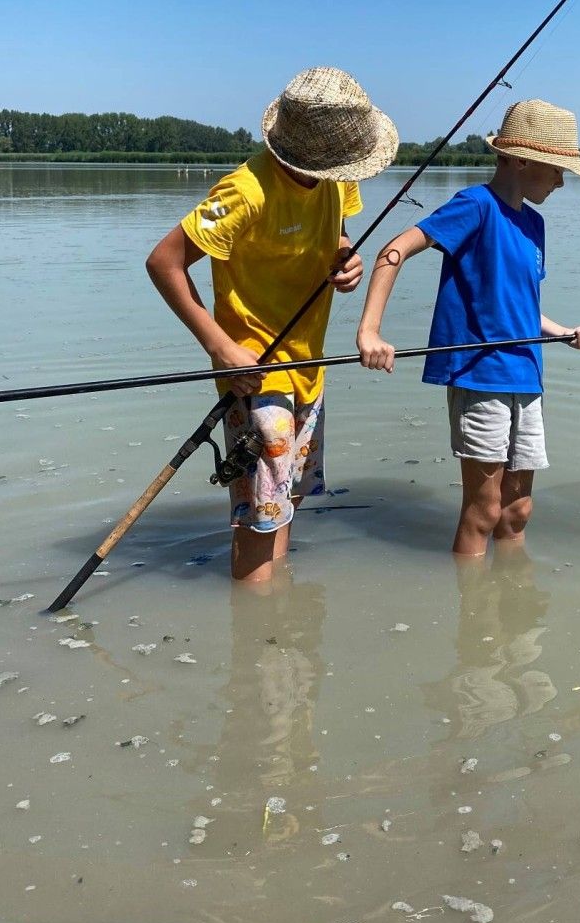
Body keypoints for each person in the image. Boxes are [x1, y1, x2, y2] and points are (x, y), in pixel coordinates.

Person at [146, 67, 398, 583]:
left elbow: (338, 235)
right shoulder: (246, 189)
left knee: (285, 502)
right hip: (254, 370)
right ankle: (257, 640)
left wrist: (346, 259)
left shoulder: (336, 179)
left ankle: (277, 636)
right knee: (260, 520)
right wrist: (220, 349)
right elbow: (163, 262)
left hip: (311, 364)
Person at [356, 98, 580, 557]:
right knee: (484, 510)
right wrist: (369, 331)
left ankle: (514, 617)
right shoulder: (475, 205)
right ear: (523, 159)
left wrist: (566, 333)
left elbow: (520, 307)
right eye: (556, 169)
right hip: (480, 374)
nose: (562, 180)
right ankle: (474, 618)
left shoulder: (535, 224)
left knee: (517, 511)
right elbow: (394, 249)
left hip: (527, 376)